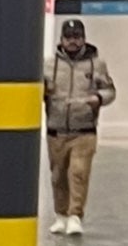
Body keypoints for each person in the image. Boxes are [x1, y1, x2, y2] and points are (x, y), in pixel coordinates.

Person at [44, 17, 114, 232]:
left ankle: (75, 215)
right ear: (61, 39)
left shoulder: (96, 64)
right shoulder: (49, 64)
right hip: (56, 130)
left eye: (77, 37)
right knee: (58, 175)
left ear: (84, 39)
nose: (73, 42)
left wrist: (98, 99)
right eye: (69, 38)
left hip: (84, 130)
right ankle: (60, 215)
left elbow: (110, 90)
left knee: (78, 172)